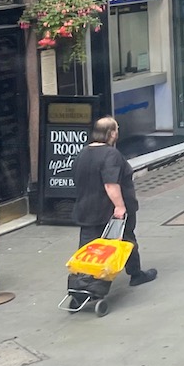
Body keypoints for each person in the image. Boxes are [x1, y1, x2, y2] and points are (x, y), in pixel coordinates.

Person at [72, 115, 156, 286]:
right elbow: (111, 184)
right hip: (109, 210)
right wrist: (120, 206)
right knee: (126, 240)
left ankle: (82, 283)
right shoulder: (111, 154)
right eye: (116, 129)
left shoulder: (83, 153)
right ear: (111, 133)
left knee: (88, 247)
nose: (117, 132)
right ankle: (135, 273)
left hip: (86, 209)